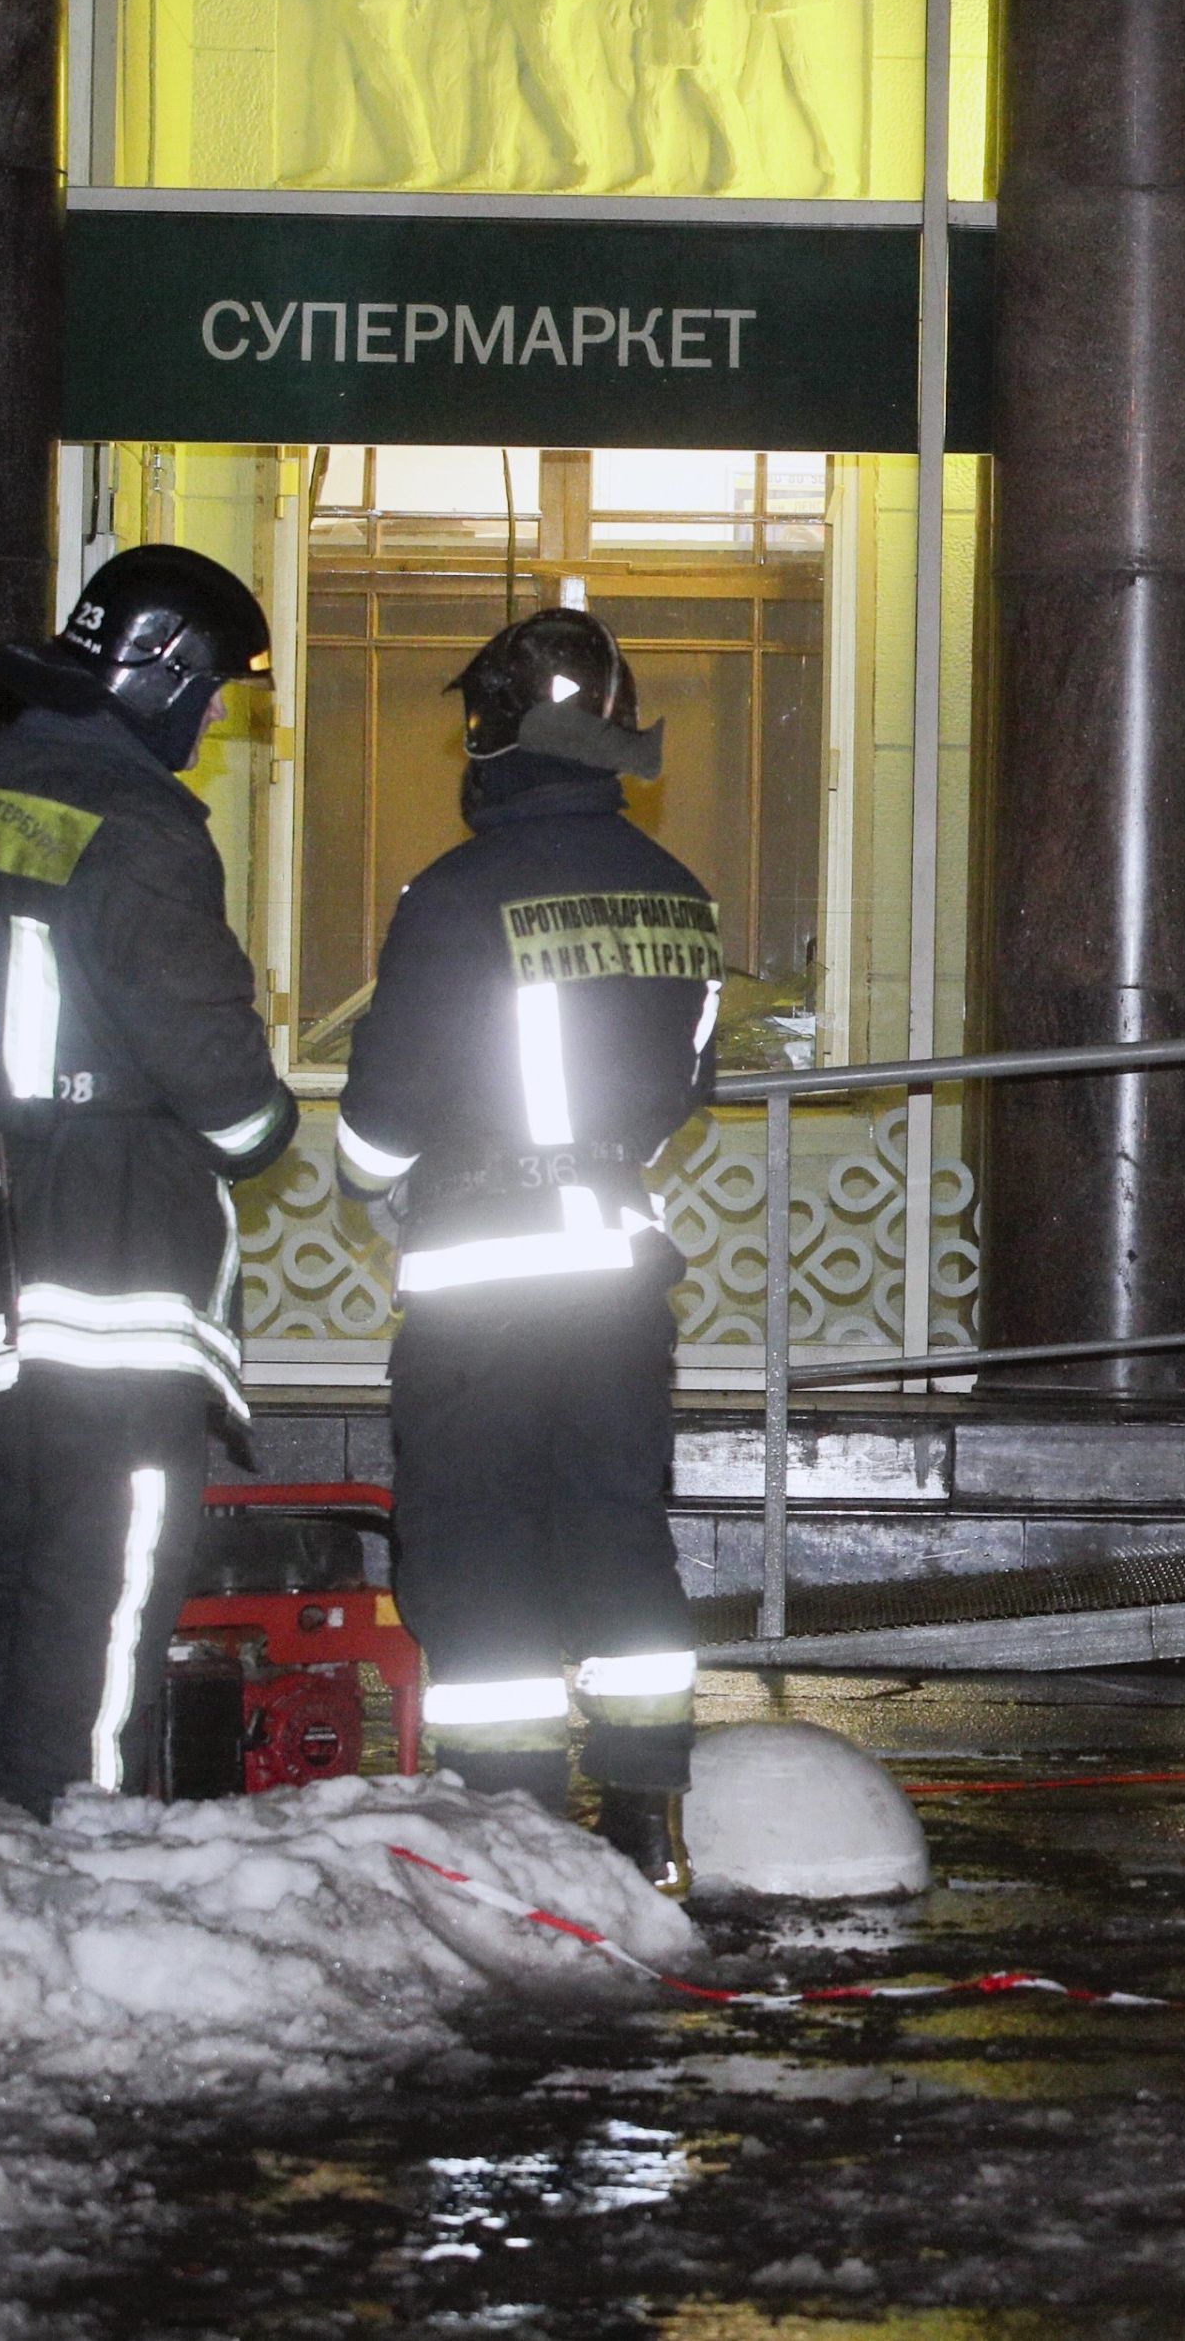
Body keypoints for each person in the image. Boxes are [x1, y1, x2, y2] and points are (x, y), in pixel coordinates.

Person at [334, 610, 723, 1888]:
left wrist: (379, 1185)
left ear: (492, 731)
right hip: (615, 1264)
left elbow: (385, 1108)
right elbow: (682, 1092)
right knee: (617, 1527)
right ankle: (646, 1820)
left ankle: (505, 1822)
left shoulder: (453, 894)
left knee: (472, 1532)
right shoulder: (677, 893)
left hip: (483, 1274)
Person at [0, 549, 300, 1812]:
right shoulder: (143, 830)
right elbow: (232, 1103)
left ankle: (1, 1863)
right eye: (212, 684)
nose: (216, 712)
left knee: (5, 1564)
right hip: (108, 1257)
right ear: (159, 666)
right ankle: (84, 1838)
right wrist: (263, 1117)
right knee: (108, 1574)